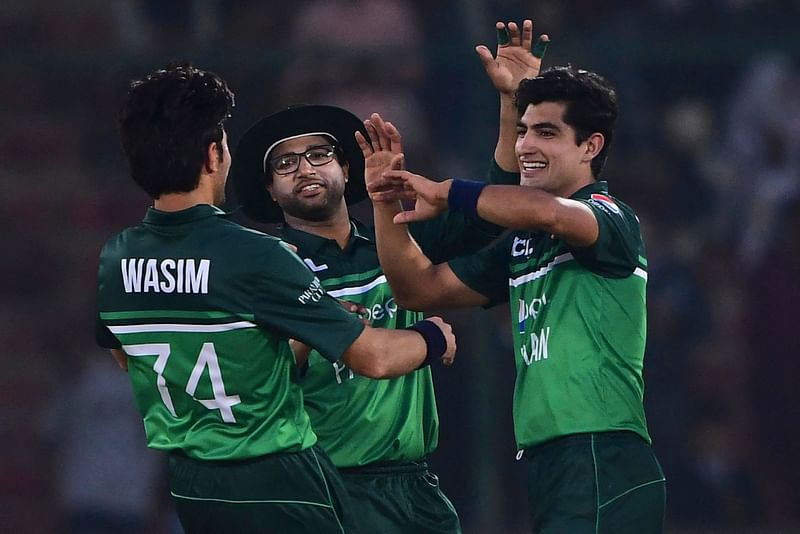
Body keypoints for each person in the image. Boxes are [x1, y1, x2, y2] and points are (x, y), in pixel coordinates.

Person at [95, 62, 457, 534]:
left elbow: (127, 356)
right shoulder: (255, 255)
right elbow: (371, 356)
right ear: (212, 155)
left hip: (194, 484)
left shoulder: (116, 257)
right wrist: (432, 336)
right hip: (276, 473)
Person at [230, 20, 548, 534]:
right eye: (285, 163)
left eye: (319, 154)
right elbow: (247, 379)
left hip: (416, 489)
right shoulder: (261, 268)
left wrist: (513, 105)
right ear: (268, 191)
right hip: (323, 490)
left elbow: (498, 200)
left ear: (347, 170)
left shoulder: (399, 243)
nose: (305, 169)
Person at [365, 66, 667, 533]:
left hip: (601, 454)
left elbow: (549, 212)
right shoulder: (524, 243)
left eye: (546, 132)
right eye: (522, 131)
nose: (525, 146)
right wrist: (385, 202)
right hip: (552, 461)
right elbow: (417, 289)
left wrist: (447, 193)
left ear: (591, 146)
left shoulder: (611, 218)